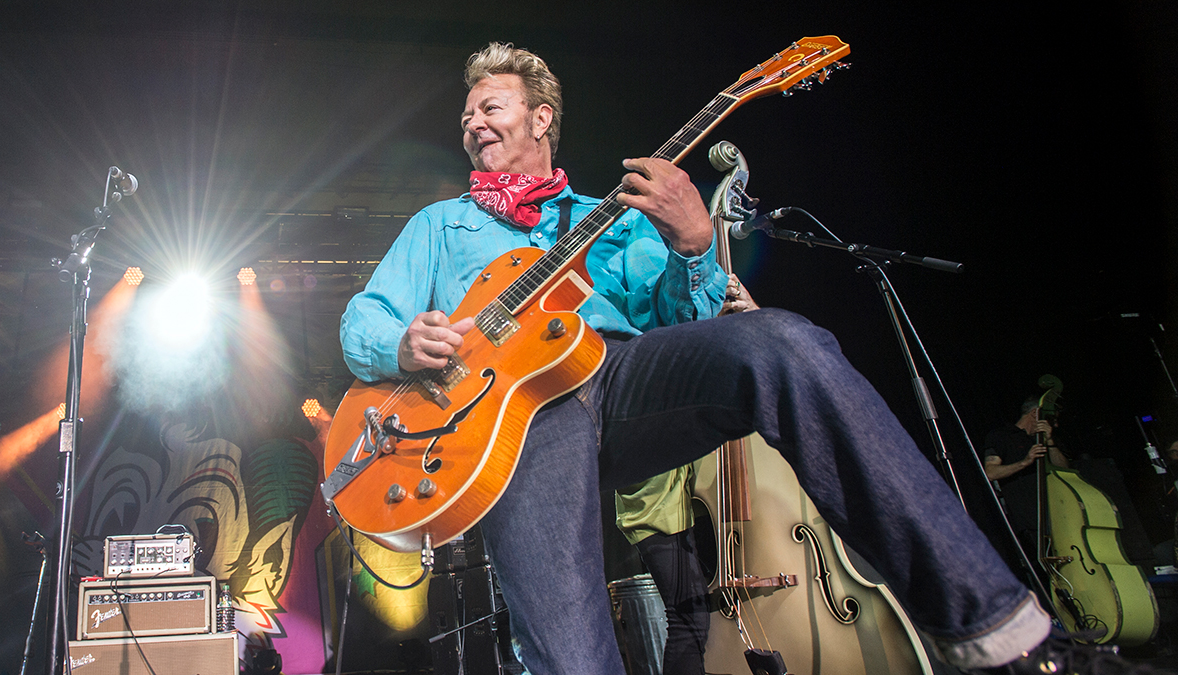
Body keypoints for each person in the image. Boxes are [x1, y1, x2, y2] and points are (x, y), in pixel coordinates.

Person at [339, 42, 1141, 674]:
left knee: (780, 341)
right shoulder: (439, 227)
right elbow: (361, 319)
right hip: (508, 421)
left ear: (542, 118)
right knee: (572, 650)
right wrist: (403, 341)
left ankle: (997, 630)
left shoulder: (608, 217)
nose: (474, 122)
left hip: (619, 379)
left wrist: (693, 246)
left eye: (492, 107)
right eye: (468, 114)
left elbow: (685, 322)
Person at [612, 274, 757, 675]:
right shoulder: (635, 268)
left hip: (709, 469)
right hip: (653, 475)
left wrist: (748, 316)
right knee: (688, 614)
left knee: (690, 616)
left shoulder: (700, 273)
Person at [983, 397, 1070, 541]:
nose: (1055, 424)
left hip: (1058, 514)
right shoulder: (1002, 436)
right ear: (1036, 413)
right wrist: (1025, 462)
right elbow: (991, 473)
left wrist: (1050, 442)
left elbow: (1064, 470)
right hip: (1028, 518)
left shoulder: (1049, 439)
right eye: (1051, 419)